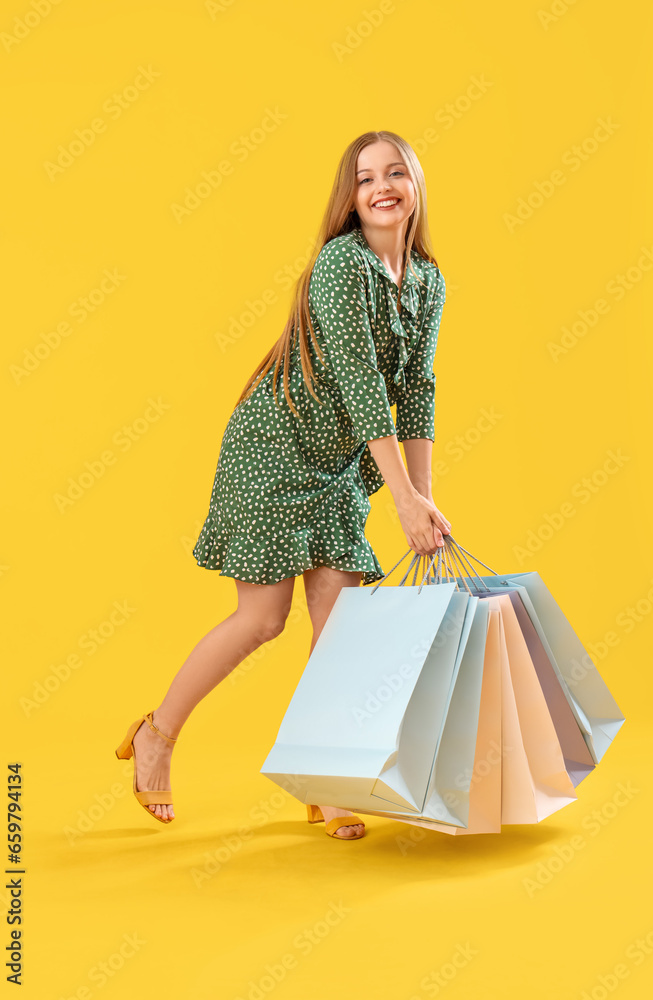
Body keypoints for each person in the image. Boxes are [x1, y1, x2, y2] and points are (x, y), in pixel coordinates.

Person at [115, 129, 451, 841]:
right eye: (365, 178)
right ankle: (156, 735)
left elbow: (414, 390)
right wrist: (400, 500)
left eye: (395, 173)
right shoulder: (340, 266)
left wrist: (421, 498)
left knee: (340, 635)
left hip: (338, 464)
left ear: (415, 185)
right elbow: (365, 389)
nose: (382, 186)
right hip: (272, 452)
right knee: (262, 620)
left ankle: (324, 780)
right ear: (350, 198)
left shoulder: (426, 280)